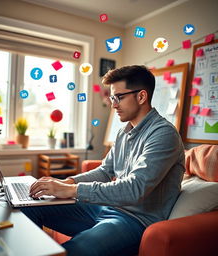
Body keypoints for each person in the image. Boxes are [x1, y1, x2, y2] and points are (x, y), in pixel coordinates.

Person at [21, 65, 185, 256]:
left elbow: (135, 189)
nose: (113, 104)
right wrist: (68, 182)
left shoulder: (164, 134)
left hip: (135, 220)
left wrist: (73, 190)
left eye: (119, 97)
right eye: (112, 98)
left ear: (141, 96)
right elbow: (106, 171)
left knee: (75, 250)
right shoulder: (124, 132)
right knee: (29, 208)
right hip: (105, 208)